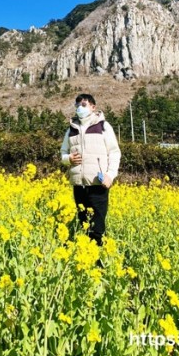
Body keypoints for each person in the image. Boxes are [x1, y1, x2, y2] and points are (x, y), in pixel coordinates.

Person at [60, 93, 121, 246]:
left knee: (97, 229)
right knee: (83, 225)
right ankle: (84, 256)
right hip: (79, 186)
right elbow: (63, 153)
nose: (79, 108)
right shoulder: (71, 129)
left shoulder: (103, 126)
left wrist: (110, 175)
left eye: (84, 105)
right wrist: (68, 159)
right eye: (77, 105)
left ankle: (98, 258)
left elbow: (114, 152)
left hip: (98, 185)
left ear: (93, 107)